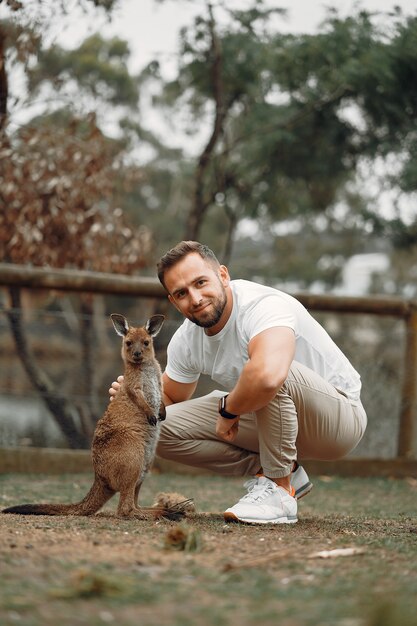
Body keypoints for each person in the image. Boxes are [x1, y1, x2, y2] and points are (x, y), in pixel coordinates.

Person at [110, 241, 367, 525]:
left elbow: (268, 376)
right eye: (182, 293)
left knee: (266, 370)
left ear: (223, 275)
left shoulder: (262, 306)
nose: (195, 299)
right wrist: (132, 401)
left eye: (201, 282)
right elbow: (169, 397)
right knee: (157, 428)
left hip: (337, 420)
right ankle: (284, 470)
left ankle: (278, 490)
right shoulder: (188, 338)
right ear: (173, 301)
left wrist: (229, 410)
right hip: (271, 419)